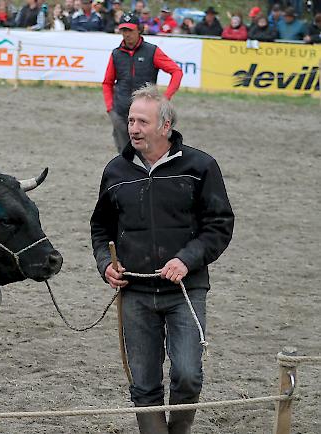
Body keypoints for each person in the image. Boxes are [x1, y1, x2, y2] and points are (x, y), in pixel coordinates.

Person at [91, 83, 234, 434]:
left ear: (165, 126)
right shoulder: (115, 171)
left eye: (142, 122)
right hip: (135, 293)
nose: (133, 128)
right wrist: (105, 264)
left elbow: (219, 225)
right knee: (143, 384)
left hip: (185, 288)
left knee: (187, 374)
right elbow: (100, 229)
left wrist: (187, 259)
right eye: (131, 121)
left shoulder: (200, 166)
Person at [102, 13, 183, 153]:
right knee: (124, 153)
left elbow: (176, 72)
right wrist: (110, 108)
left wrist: (166, 97)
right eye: (124, 30)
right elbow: (107, 83)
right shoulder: (116, 54)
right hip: (120, 112)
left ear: (139, 29)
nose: (127, 34)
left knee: (147, 152)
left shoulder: (152, 51)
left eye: (130, 30)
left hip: (146, 113)